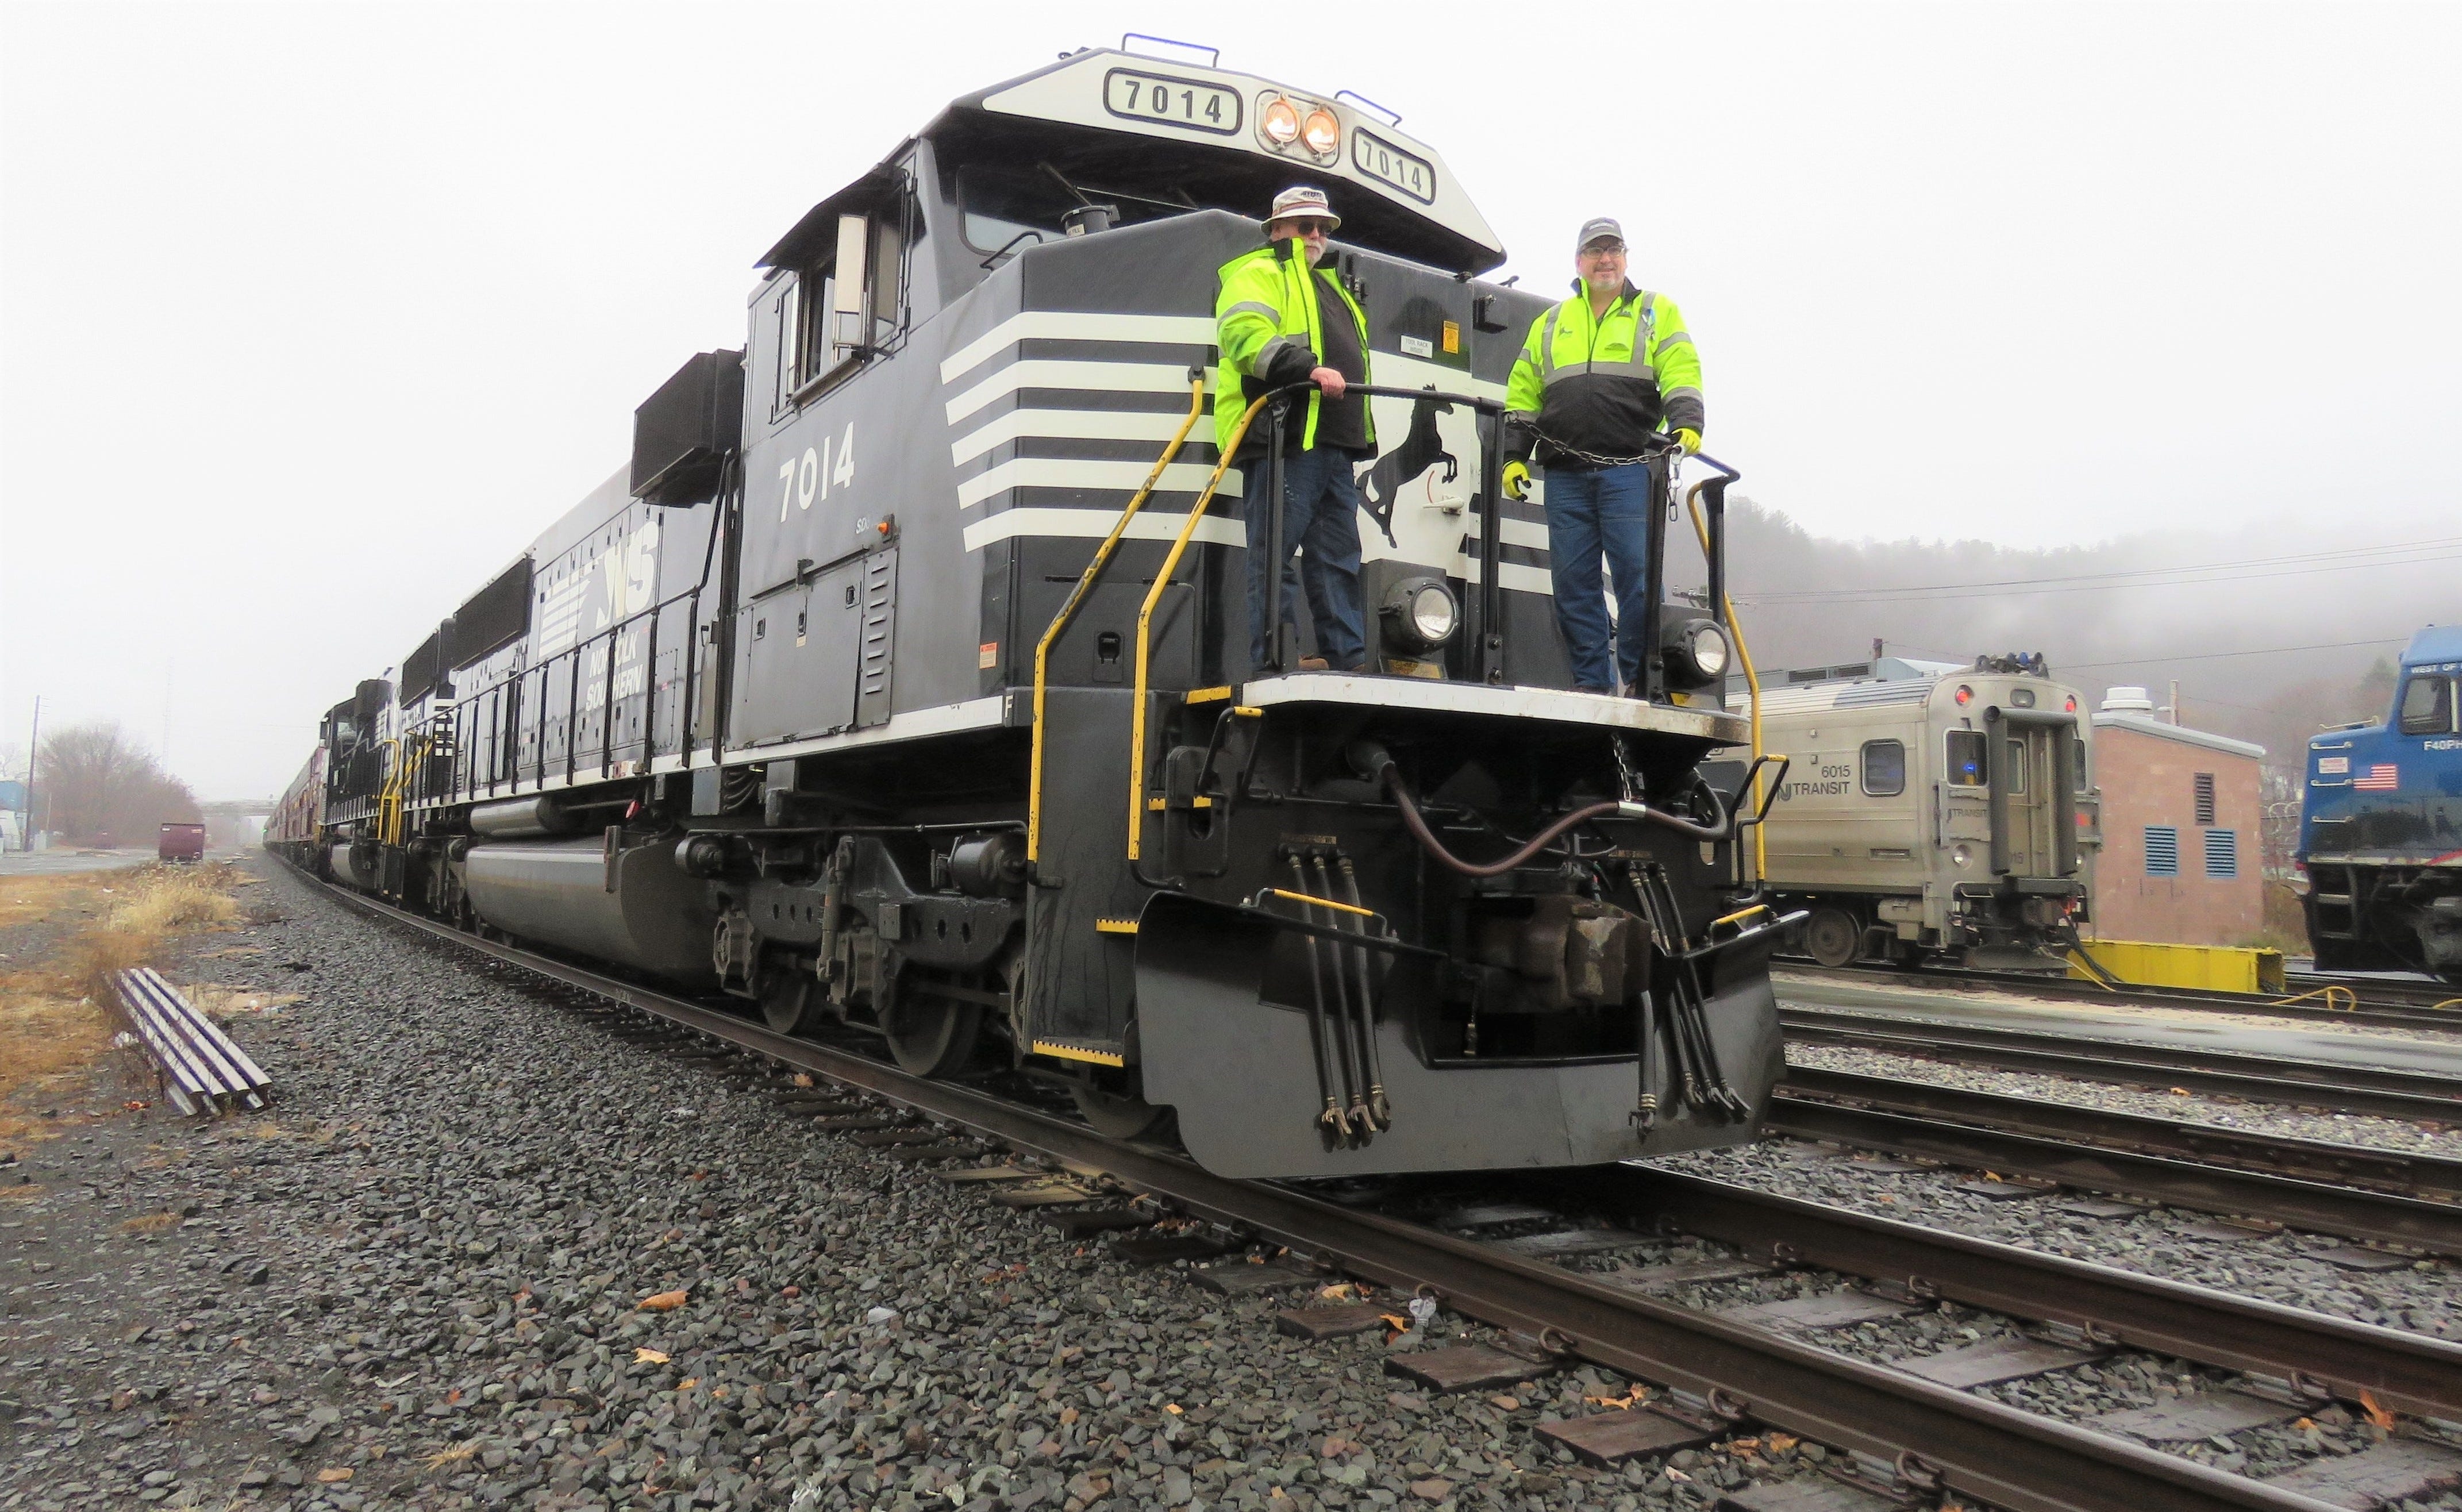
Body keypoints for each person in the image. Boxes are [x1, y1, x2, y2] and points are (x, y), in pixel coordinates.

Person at [1501, 217, 1703, 695]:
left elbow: (1680, 366)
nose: (1605, 259)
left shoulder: (1655, 311)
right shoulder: (1551, 323)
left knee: (1635, 580)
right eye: (1595, 251)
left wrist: (1687, 421)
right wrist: (1514, 456)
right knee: (1574, 587)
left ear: (1626, 258)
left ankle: (1636, 679)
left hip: (1630, 471)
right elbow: (1523, 393)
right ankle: (1592, 684)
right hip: (1565, 475)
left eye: (1613, 250)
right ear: (1579, 262)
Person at [1215, 185, 1376, 674]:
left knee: (1338, 558)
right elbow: (1242, 335)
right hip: (1283, 438)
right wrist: (1307, 368)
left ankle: (1345, 660)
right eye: (1306, 225)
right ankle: (1275, 661)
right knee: (1275, 555)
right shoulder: (1258, 272)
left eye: (1323, 227)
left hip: (1334, 443)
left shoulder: (1334, 289)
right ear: (1278, 228)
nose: (1316, 235)